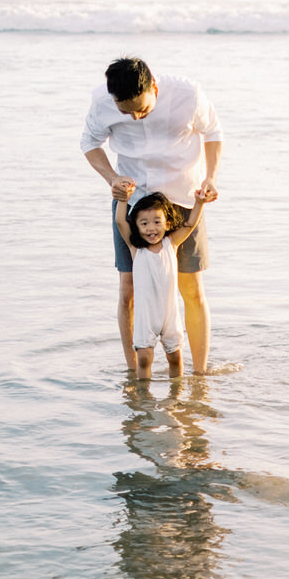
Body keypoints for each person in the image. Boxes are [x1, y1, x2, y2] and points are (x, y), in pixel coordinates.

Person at [81, 57, 223, 376]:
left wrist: (211, 177)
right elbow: (89, 143)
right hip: (134, 204)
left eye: (142, 109)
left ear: (153, 87)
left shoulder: (188, 95)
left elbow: (213, 132)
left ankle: (199, 373)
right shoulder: (102, 102)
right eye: (125, 111)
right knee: (128, 289)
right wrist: (112, 178)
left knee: (191, 287)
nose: (134, 115)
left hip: (184, 197)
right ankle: (135, 373)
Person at [115, 189, 205, 379]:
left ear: (168, 223)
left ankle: (175, 395)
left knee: (174, 357)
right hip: (145, 316)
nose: (151, 228)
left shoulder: (170, 244)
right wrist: (123, 199)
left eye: (157, 222)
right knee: (144, 358)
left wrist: (199, 203)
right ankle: (143, 399)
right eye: (144, 223)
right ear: (137, 227)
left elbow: (189, 224)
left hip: (169, 314)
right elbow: (120, 222)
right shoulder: (136, 249)